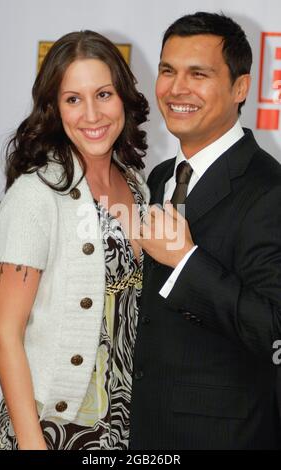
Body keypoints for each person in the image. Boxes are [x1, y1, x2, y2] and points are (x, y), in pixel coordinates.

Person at [0, 30, 149, 450]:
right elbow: (4, 334)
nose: (91, 114)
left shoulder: (137, 186)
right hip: (54, 427)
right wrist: (31, 442)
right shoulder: (36, 194)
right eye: (73, 99)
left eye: (104, 94)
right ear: (55, 109)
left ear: (124, 98)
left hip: (125, 425)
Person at [129, 11, 281, 450]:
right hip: (143, 431)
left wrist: (185, 261)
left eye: (198, 74)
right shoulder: (159, 177)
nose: (177, 89)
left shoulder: (269, 190)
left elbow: (274, 329)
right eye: (167, 71)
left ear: (240, 88)